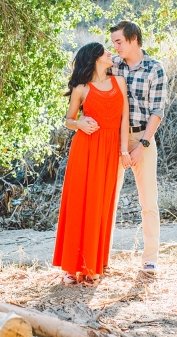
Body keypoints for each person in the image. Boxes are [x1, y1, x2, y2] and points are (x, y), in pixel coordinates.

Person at [52, 42, 131, 285]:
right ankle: (71, 267)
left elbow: (124, 118)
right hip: (86, 148)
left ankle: (92, 265)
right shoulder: (81, 88)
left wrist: (124, 150)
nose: (111, 54)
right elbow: (68, 120)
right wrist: (80, 124)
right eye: (106, 52)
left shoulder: (119, 82)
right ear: (96, 58)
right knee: (79, 202)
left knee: (101, 205)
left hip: (109, 149)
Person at [108, 21, 166, 276]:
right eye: (113, 43)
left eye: (119, 42)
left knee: (148, 201)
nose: (115, 47)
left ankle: (150, 259)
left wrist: (141, 145)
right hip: (113, 141)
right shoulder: (112, 65)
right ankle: (102, 258)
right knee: (108, 200)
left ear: (133, 39)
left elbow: (157, 111)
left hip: (143, 138)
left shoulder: (155, 69)